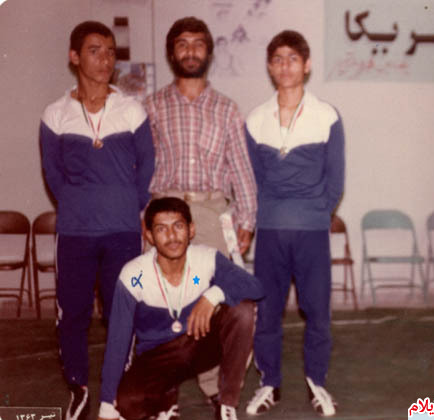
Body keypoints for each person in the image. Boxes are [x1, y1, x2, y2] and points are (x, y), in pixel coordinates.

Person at [39, 21, 155, 420]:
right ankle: (79, 387)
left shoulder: (132, 110)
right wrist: (78, 204)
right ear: (74, 57)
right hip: (75, 232)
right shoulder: (55, 114)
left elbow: (147, 169)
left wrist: (127, 204)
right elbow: (53, 174)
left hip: (123, 230)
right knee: (72, 312)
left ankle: (117, 389)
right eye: (94, 51)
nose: (105, 59)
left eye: (110, 51)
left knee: (122, 311)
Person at [143, 16, 257, 404]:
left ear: (208, 52)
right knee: (162, 301)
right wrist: (142, 217)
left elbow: (240, 168)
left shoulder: (227, 109)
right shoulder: (152, 106)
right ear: (171, 52)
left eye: (198, 44)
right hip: (165, 213)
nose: (190, 51)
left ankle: (213, 387)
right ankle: (166, 393)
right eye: (182, 44)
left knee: (214, 301)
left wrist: (247, 220)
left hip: (210, 212)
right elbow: (140, 167)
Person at [244, 30, 345, 417]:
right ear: (269, 67)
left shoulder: (326, 116)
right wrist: (268, 215)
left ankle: (317, 383)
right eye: (277, 59)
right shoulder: (255, 119)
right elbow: (254, 180)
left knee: (317, 312)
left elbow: (335, 180)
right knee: (267, 313)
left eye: (292, 58)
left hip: (312, 232)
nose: (285, 66)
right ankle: (269, 383)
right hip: (270, 232)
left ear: (307, 65)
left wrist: (315, 214)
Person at [97, 197, 263, 420]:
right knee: (127, 404)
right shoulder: (135, 276)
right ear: (149, 235)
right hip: (158, 355)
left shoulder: (205, 259)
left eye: (178, 226)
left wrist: (212, 296)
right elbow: (118, 340)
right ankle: (166, 399)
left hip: (198, 342)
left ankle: (227, 404)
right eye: (161, 229)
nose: (172, 236)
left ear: (191, 230)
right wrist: (107, 404)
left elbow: (255, 286)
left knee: (243, 310)